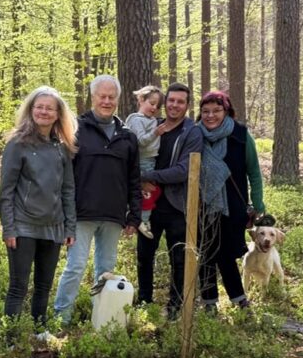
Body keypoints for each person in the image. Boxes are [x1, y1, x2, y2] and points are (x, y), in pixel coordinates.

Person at [53, 75, 141, 325]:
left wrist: (134, 215)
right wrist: (64, 213)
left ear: (118, 99)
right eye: (102, 96)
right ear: (93, 97)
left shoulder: (127, 136)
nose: (106, 101)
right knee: (75, 267)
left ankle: (101, 319)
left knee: (106, 272)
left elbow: (134, 178)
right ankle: (62, 317)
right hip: (81, 213)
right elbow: (64, 176)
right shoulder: (76, 129)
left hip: (114, 215)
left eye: (111, 97)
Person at [0, 87, 77, 333]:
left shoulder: (61, 148)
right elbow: (6, 191)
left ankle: (39, 331)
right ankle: (11, 339)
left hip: (53, 228)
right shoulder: (17, 144)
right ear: (31, 110)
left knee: (44, 285)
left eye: (49, 108)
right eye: (39, 107)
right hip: (23, 226)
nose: (44, 112)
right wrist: (9, 227)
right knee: (18, 286)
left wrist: (69, 226)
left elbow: (68, 190)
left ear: (57, 114)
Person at [136, 82, 203, 318]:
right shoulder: (153, 125)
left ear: (187, 105)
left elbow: (184, 170)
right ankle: (144, 300)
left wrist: (147, 176)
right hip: (149, 204)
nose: (174, 105)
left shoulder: (192, 132)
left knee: (179, 257)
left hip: (176, 205)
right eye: (171, 100)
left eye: (180, 101)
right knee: (144, 254)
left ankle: (175, 305)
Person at [196, 90, 265, 311]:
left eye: (217, 110)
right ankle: (209, 302)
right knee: (206, 252)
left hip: (233, 205)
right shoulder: (194, 135)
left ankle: (237, 298)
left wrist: (258, 204)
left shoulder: (241, 135)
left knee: (225, 253)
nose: (210, 115)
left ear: (227, 111)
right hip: (201, 205)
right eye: (205, 111)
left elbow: (253, 172)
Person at [124, 85, 164, 239]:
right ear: (141, 99)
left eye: (158, 106)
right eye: (152, 103)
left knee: (154, 191)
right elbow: (140, 141)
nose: (154, 108)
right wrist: (155, 133)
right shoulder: (135, 120)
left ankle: (137, 215)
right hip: (142, 160)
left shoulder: (151, 120)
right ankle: (143, 220)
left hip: (152, 160)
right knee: (148, 192)